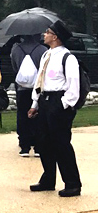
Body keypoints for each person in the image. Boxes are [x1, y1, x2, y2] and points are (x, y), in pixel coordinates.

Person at [28, 20, 82, 197]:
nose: (44, 35)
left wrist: (63, 104)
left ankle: (72, 183)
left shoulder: (68, 58)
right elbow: (40, 80)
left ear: (55, 37)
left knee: (61, 143)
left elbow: (73, 86)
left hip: (58, 102)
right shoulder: (46, 55)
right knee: (43, 142)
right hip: (44, 100)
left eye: (47, 32)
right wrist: (35, 104)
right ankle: (48, 179)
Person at [10, 34, 48, 157]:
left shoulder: (16, 49)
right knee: (38, 115)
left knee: (22, 115)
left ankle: (24, 146)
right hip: (37, 87)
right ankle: (38, 145)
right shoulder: (42, 49)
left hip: (21, 88)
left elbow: (14, 66)